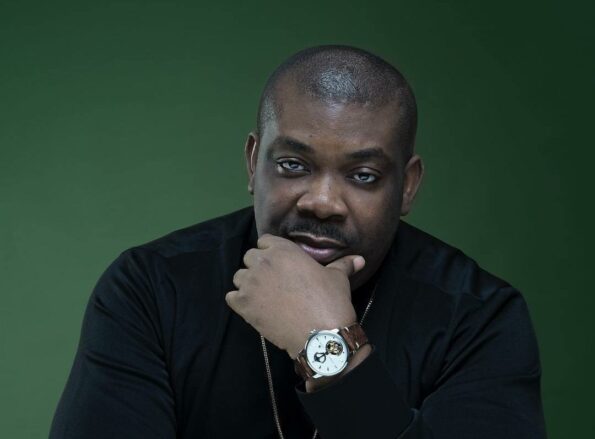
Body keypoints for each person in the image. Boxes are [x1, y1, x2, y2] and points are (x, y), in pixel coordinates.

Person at [49, 45, 546, 438]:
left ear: (408, 186)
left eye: (364, 175)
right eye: (293, 165)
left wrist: (326, 346)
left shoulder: (479, 317)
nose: (322, 202)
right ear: (253, 163)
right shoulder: (151, 289)